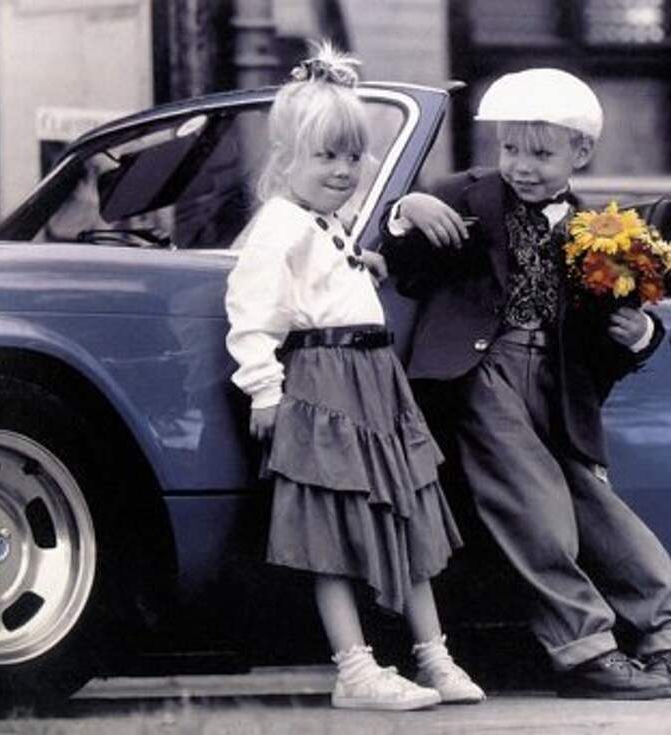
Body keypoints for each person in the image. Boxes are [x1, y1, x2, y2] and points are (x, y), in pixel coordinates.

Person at [381, 68, 671, 699]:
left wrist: (640, 334)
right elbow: (405, 267)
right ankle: (585, 650)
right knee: (536, 506)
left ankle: (669, 636)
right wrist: (403, 210)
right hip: (478, 374)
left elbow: (614, 327)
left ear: (581, 153)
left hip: (557, 385)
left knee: (600, 511)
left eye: (541, 153)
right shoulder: (460, 194)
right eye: (509, 148)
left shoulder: (599, 229)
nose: (521, 166)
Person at [224, 43, 484, 711]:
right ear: (286, 159)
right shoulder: (279, 225)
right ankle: (355, 668)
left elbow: (329, 278)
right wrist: (263, 388)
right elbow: (252, 309)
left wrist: (364, 264)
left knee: (407, 512)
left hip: (374, 381)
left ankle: (433, 654)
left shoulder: (327, 223)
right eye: (326, 156)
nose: (343, 170)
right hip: (325, 383)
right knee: (332, 527)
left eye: (352, 156)